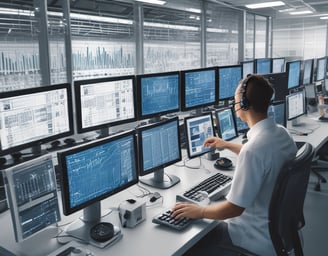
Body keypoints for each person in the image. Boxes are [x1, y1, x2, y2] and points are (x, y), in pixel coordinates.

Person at [172, 74, 297, 256]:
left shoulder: (253, 151)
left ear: (244, 104)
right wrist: (227, 145)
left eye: (236, 99)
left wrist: (200, 211)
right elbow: (263, 155)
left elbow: (233, 209)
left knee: (189, 244)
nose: (234, 102)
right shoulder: (281, 134)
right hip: (280, 234)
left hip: (252, 237)